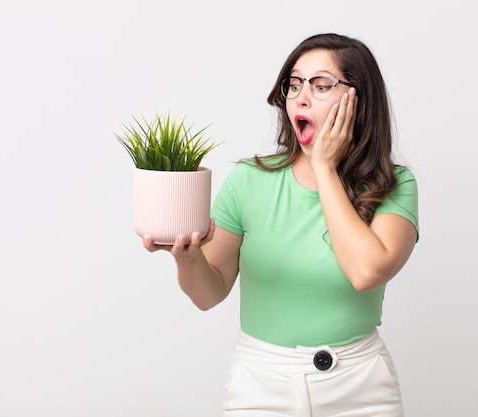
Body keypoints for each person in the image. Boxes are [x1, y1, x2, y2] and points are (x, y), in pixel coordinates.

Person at [143, 33, 419, 417]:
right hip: (260, 384)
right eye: (294, 84)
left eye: (321, 85)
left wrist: (324, 167)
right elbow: (209, 294)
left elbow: (366, 272)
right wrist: (187, 260)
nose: (301, 97)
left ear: (360, 100)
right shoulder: (249, 180)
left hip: (361, 387)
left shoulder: (395, 184)